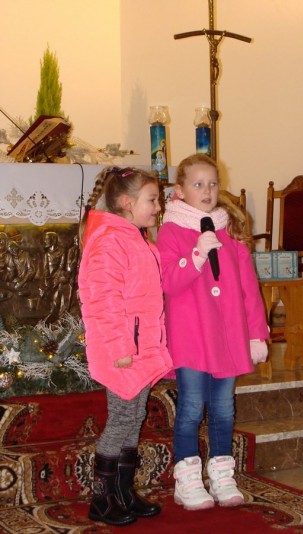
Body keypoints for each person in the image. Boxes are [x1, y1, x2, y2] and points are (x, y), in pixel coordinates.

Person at [157, 154, 269, 511]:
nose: (207, 191)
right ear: (180, 190)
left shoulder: (229, 230)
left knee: (223, 408)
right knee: (191, 407)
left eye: (213, 184)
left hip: (228, 335)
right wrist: (197, 255)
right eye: (198, 184)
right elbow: (169, 282)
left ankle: (221, 474)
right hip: (192, 336)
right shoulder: (171, 231)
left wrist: (256, 333)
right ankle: (188, 479)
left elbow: (249, 287)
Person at [78, 166, 173, 527]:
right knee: (121, 419)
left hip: (139, 346)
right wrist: (120, 347)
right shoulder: (109, 240)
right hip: (122, 350)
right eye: (153, 200)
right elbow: (102, 299)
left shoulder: (135, 238)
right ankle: (101, 499)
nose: (158, 207)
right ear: (126, 202)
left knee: (134, 417)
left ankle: (123, 491)